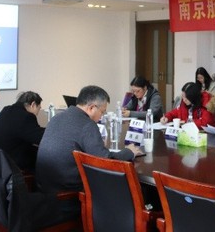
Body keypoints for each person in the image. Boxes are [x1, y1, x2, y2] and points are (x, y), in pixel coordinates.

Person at [35, 85, 142, 220]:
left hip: (43, 190)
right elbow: (105, 161)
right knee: (121, 187)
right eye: (102, 112)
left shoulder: (57, 117)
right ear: (92, 108)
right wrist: (129, 152)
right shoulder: (87, 125)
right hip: (66, 198)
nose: (102, 116)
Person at [0, 91, 45, 172]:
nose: (38, 113)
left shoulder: (7, 109)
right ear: (33, 104)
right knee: (48, 159)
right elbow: (40, 139)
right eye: (39, 108)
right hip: (11, 163)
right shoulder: (26, 117)